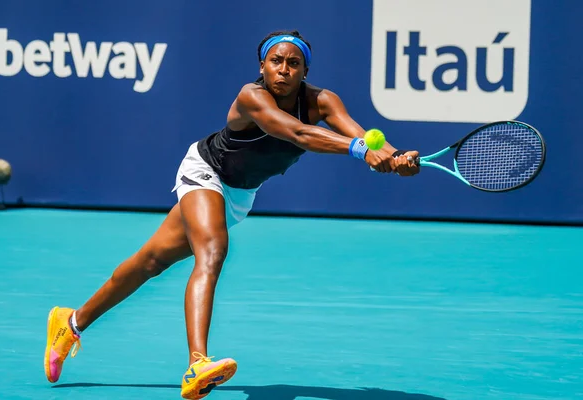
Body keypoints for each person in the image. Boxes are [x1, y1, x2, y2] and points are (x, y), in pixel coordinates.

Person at [43, 30, 420, 399]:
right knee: (213, 250)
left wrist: (396, 156)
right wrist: (361, 150)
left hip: (239, 195)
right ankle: (197, 363)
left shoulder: (324, 101)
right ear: (262, 65)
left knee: (150, 261)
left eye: (294, 63)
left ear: (305, 71)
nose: (284, 69)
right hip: (205, 170)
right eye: (277, 61)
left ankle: (71, 321)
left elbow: (364, 137)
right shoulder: (251, 96)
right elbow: (299, 135)